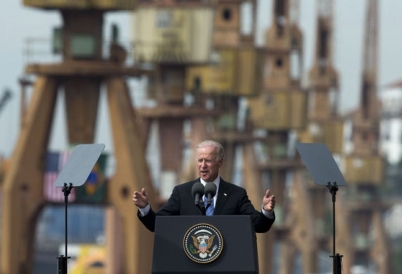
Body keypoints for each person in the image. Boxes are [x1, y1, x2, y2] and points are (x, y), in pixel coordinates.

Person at [133, 140, 275, 233]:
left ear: (220, 163)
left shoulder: (236, 194)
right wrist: (144, 208)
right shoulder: (182, 193)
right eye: (200, 160)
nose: (203, 165)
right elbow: (157, 225)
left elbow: (258, 226)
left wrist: (266, 211)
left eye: (208, 160)